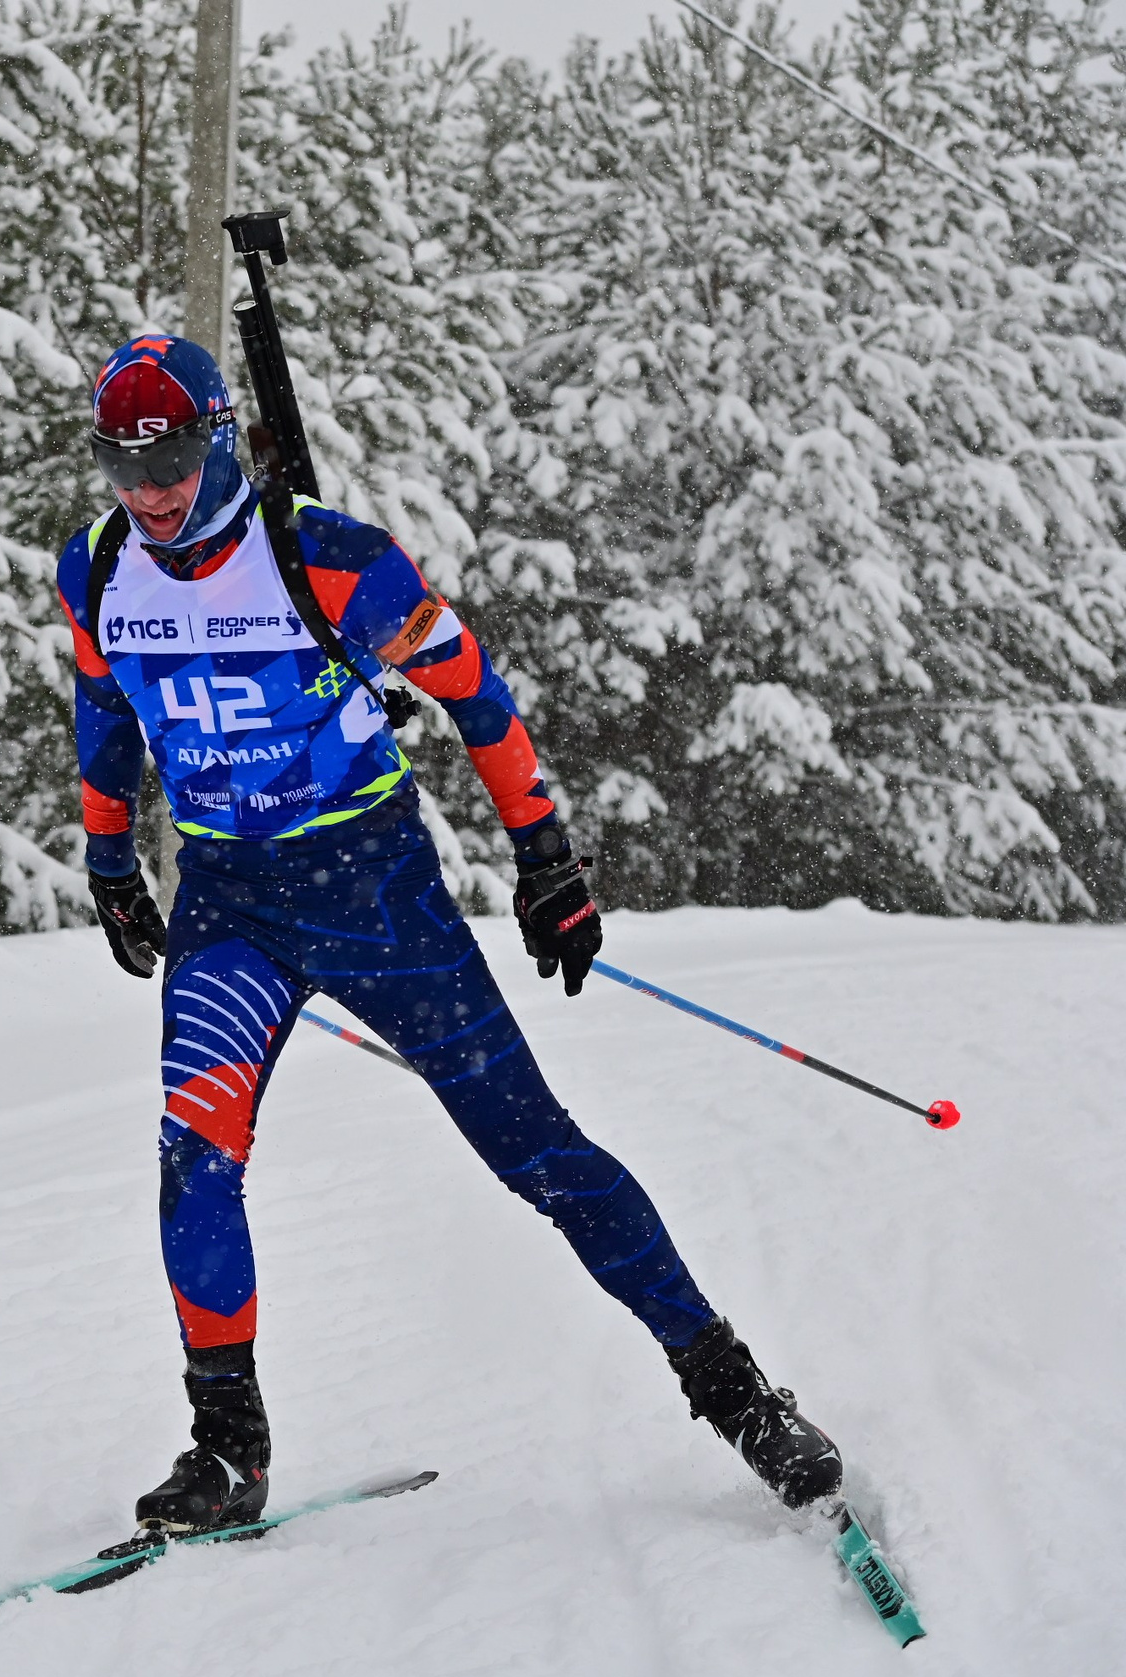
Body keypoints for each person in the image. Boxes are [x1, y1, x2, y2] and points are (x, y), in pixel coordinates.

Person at [56, 334, 844, 1534]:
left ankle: (735, 1394)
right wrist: (110, 858)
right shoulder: (100, 569)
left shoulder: (331, 563)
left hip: (377, 897)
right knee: (192, 1163)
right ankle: (228, 1450)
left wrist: (546, 858)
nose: (147, 489)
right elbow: (105, 713)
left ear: (217, 438)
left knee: (538, 1156)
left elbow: (473, 690)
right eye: (122, 461)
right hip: (231, 907)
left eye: (167, 456)